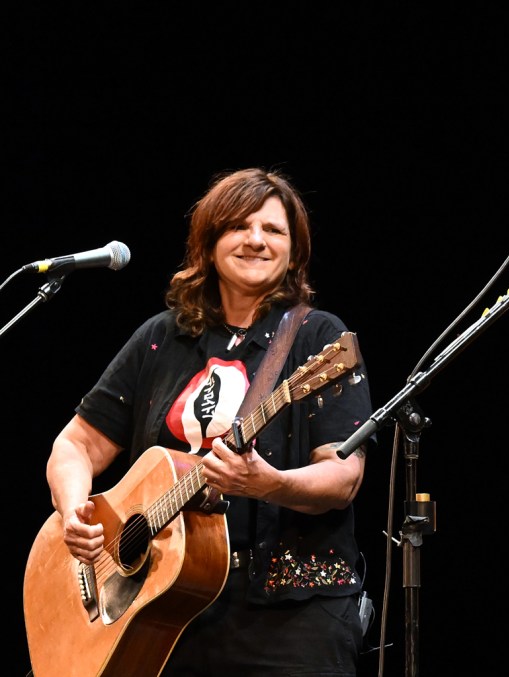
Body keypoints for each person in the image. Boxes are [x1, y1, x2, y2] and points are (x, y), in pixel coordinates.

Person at [45, 167, 374, 675]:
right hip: (166, 610)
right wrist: (74, 514)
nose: (255, 240)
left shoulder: (316, 339)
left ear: (294, 250)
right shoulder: (162, 337)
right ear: (210, 240)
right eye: (239, 226)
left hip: (291, 617)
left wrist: (269, 484)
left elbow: (342, 476)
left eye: (273, 230)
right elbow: (76, 444)